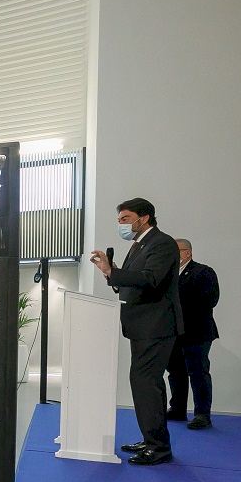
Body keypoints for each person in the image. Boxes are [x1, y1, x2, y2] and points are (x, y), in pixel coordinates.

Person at [90, 197, 183, 466]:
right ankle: (152, 439)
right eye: (119, 219)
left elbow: (150, 279)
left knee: (145, 383)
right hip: (142, 326)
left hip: (155, 325)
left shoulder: (162, 243)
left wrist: (113, 272)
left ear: (144, 218)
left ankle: (158, 447)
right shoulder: (139, 245)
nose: (121, 224)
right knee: (147, 384)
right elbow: (133, 284)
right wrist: (111, 273)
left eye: (126, 219)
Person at [167, 239, 220, 430]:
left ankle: (202, 415)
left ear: (187, 252)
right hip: (172, 332)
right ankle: (177, 409)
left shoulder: (203, 272)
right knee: (175, 372)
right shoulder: (168, 273)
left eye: (175, 250)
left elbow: (211, 299)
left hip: (197, 332)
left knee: (198, 373)